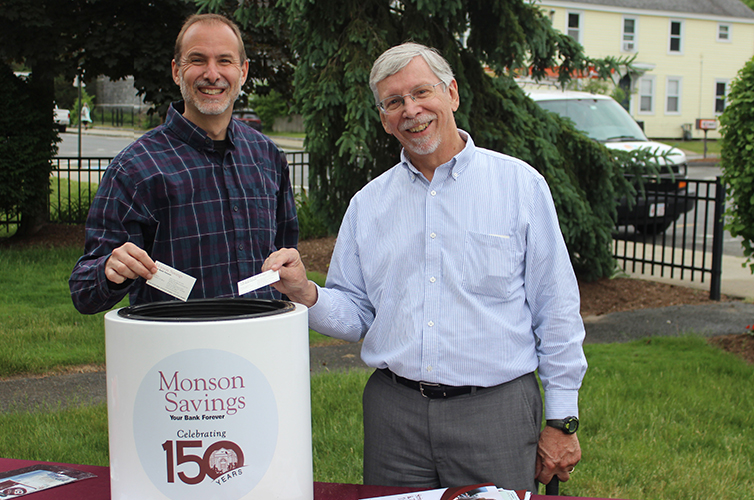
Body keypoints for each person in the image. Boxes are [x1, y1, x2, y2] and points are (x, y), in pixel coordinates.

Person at [263, 43, 585, 491]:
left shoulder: (520, 187)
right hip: (395, 418)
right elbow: (357, 314)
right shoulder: (367, 206)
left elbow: (558, 309)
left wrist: (562, 420)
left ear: (451, 94)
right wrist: (305, 292)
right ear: (383, 118)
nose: (410, 110)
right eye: (394, 102)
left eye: (421, 92)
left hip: (496, 412)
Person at [69, 13, 298, 314]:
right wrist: (109, 270)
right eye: (198, 60)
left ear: (243, 71)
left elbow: (286, 255)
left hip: (260, 347)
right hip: (178, 352)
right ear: (177, 71)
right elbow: (84, 293)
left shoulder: (268, 157)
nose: (212, 74)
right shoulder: (135, 168)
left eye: (225, 61)